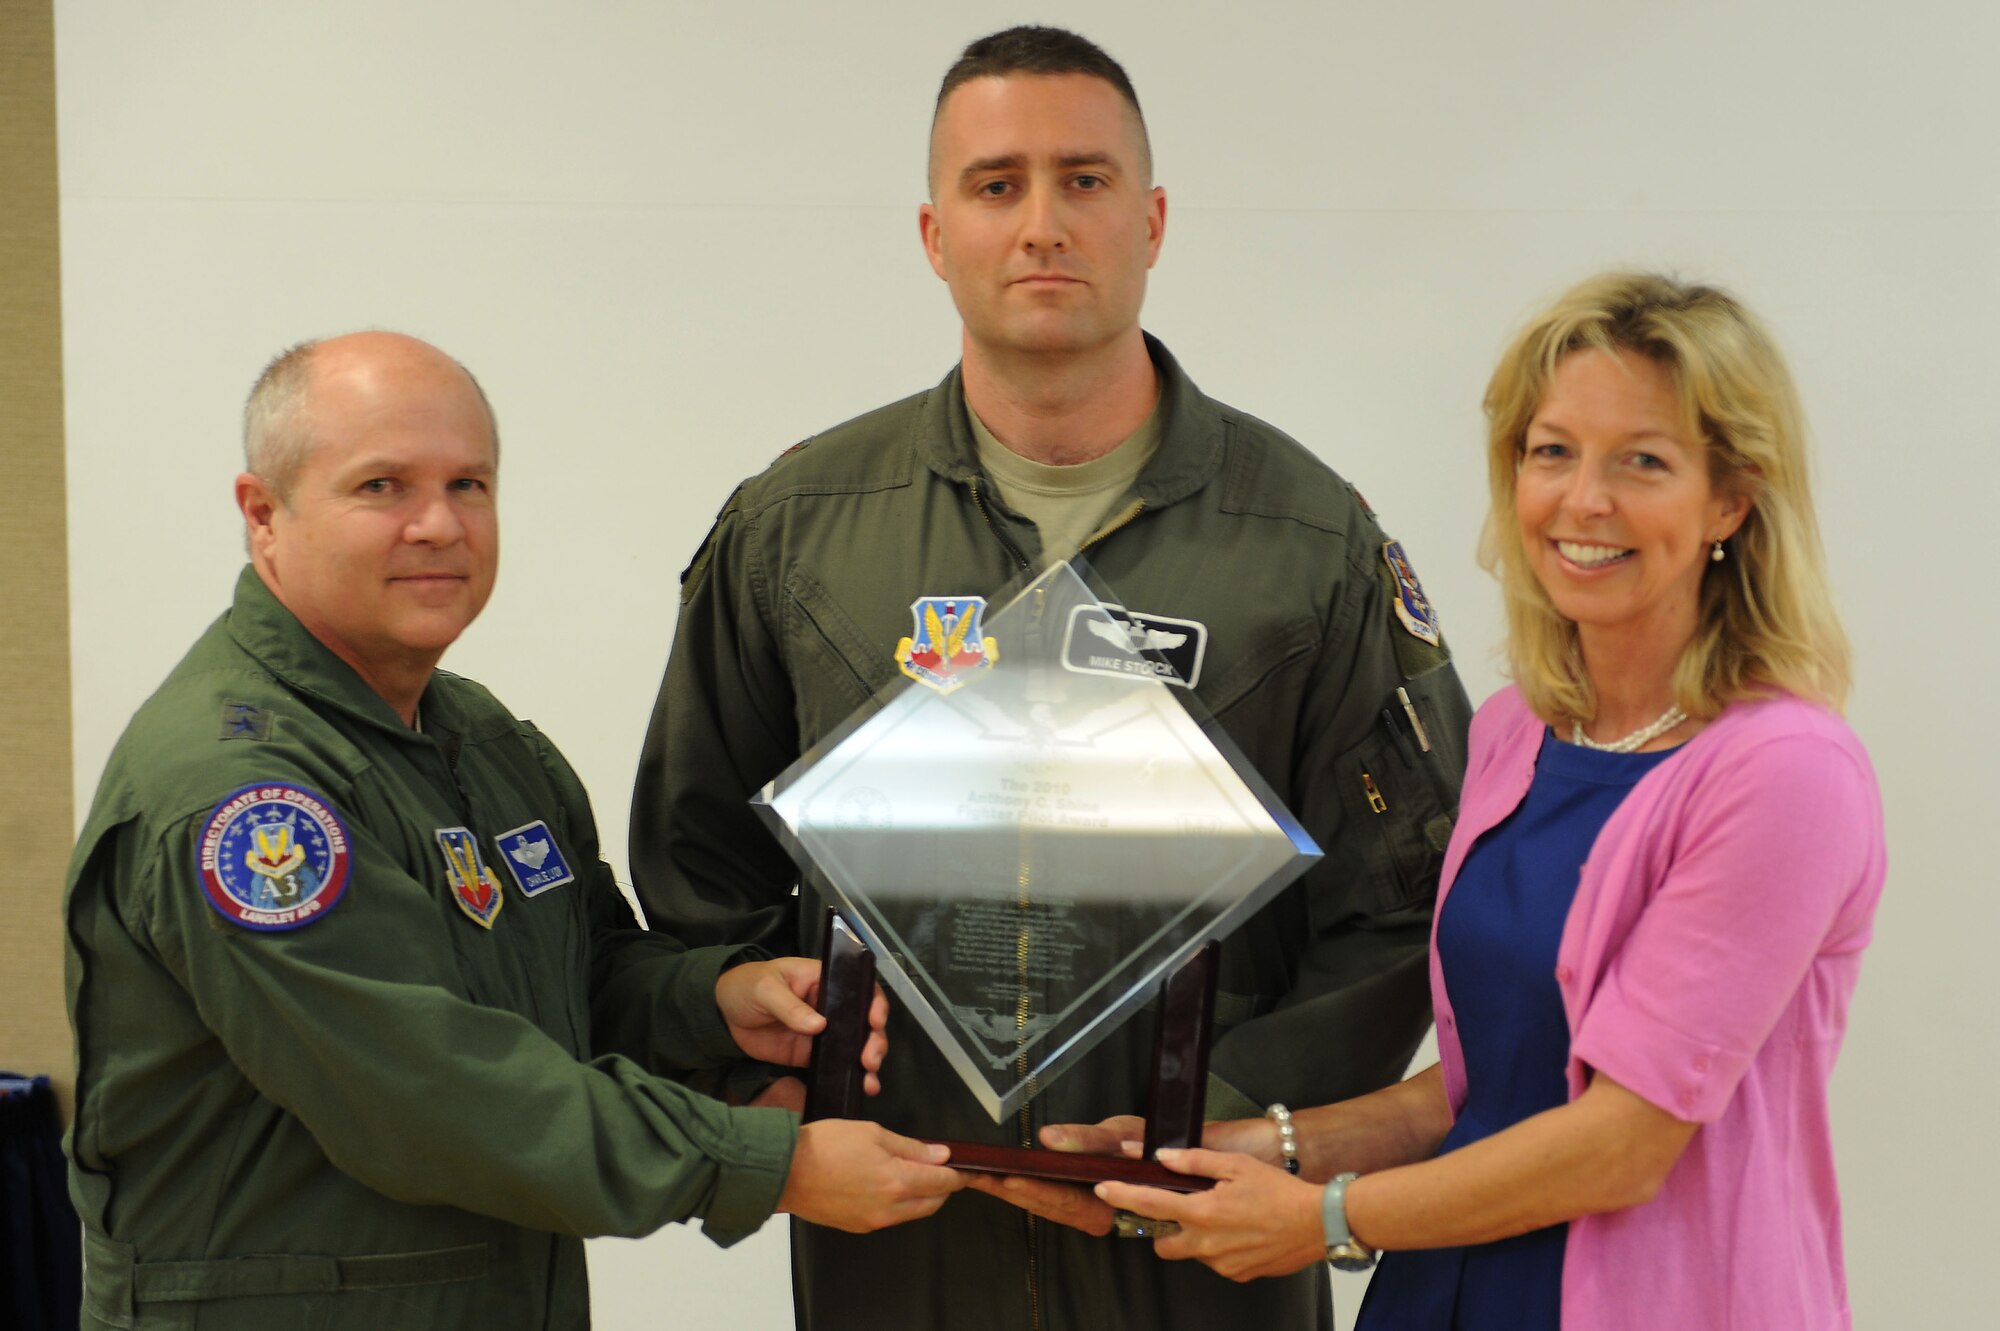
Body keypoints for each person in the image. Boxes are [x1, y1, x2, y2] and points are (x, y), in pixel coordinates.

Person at [631, 25, 1471, 1331]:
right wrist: (772, 1090)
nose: (1041, 224)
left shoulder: (1307, 542)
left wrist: (1231, 1114)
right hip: (905, 1233)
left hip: (1204, 1239)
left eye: (1084, 181)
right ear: (932, 232)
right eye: (995, 184)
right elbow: (699, 861)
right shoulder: (798, 530)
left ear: (1152, 218)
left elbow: (1411, 897)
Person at [61, 332, 962, 1331]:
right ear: (262, 513)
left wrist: (711, 1001)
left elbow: (574, 982)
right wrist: (769, 1163)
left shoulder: (482, 743)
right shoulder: (243, 796)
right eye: (380, 487)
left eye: (470, 484)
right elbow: (427, 1093)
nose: (439, 524)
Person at [1083, 272, 1886, 1330]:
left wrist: (1324, 1215)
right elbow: (1490, 1083)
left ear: (1728, 498)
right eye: (1549, 451)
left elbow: (1619, 1142)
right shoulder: (1514, 730)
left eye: (1641, 460)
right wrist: (1254, 1148)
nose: (1583, 500)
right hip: (1444, 1291)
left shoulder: (1783, 772)